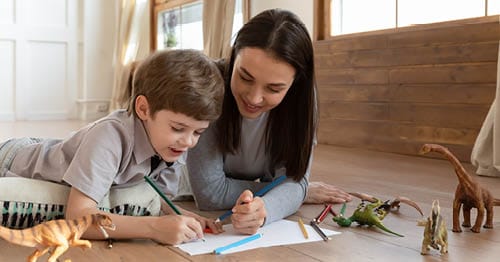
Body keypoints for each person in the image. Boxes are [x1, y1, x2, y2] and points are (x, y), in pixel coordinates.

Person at [0, 49, 225, 245]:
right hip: (14, 157)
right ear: (144, 109)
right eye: (178, 128)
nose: (189, 142)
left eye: (198, 132)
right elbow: (78, 219)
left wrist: (186, 217)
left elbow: (157, 202)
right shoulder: (109, 137)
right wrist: (154, 228)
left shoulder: (174, 146)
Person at [185, 9, 352, 235]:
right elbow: (210, 193)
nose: (253, 98)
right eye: (244, 77)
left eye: (274, 89)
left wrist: (266, 208)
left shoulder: (301, 103)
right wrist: (296, 193)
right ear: (234, 58)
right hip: (178, 192)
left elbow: (293, 178)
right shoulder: (210, 87)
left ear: (294, 84)